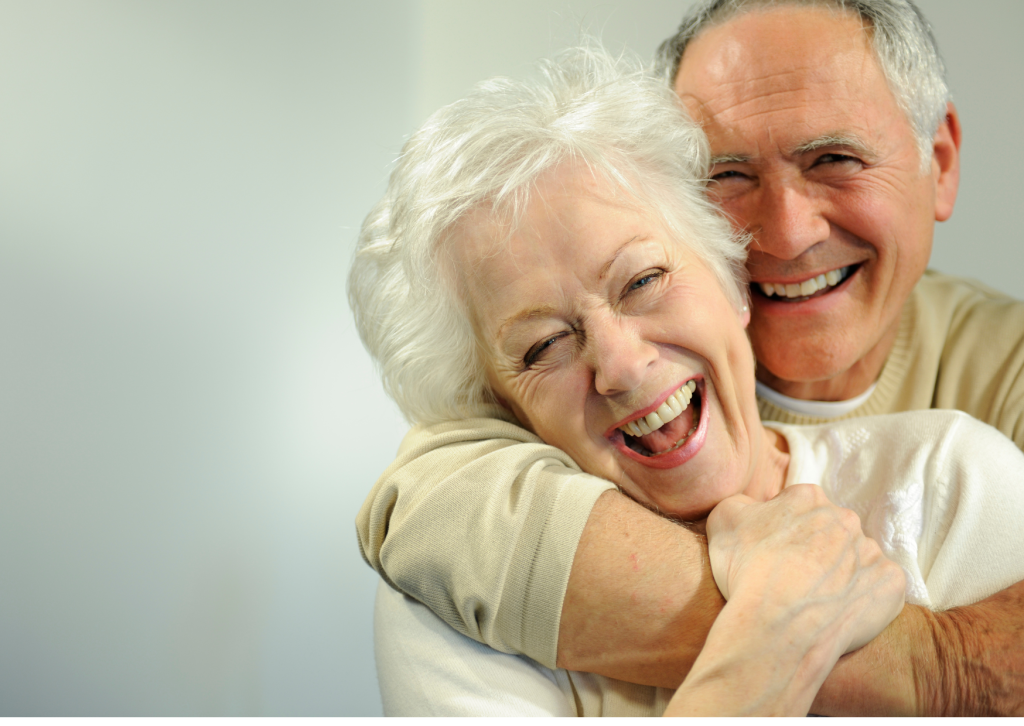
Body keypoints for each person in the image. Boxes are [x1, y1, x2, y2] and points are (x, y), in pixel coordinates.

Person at [355, 0, 1024, 715]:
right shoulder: (477, 491)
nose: (787, 235)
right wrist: (779, 623)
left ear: (941, 164)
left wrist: (928, 665)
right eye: (729, 175)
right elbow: (431, 511)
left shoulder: (962, 458)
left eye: (835, 159)